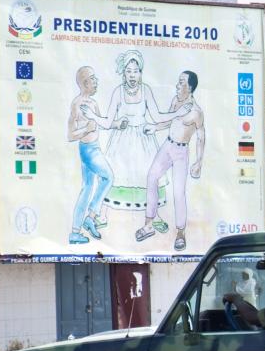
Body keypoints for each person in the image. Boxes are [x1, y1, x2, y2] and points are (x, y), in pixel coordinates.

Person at [95, 50, 191, 229]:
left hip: (143, 138)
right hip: (121, 141)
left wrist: (178, 113)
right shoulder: (118, 92)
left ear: (141, 72)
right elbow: (108, 122)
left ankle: (155, 217)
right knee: (115, 174)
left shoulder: (146, 90)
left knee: (150, 176)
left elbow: (156, 116)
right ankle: (103, 214)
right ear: (124, 73)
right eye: (129, 71)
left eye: (136, 71)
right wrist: (117, 123)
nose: (132, 75)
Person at [136, 70, 205, 252]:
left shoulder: (196, 112)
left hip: (181, 152)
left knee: (178, 192)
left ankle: (181, 232)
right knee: (152, 177)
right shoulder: (176, 101)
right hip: (167, 146)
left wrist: (198, 161)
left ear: (190, 87)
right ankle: (149, 223)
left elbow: (201, 137)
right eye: (178, 81)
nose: (177, 85)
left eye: (182, 82)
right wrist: (155, 127)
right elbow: (170, 121)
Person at [67, 66, 119, 245]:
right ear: (84, 83)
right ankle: (91, 215)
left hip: (94, 146)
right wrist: (85, 129)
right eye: (93, 79)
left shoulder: (93, 103)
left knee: (87, 188)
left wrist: (116, 124)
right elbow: (70, 135)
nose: (96, 82)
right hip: (88, 149)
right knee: (108, 177)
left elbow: (100, 123)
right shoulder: (77, 104)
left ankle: (75, 232)